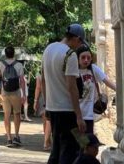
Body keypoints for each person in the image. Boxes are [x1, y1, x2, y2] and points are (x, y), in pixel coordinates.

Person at [40, 24, 86, 164]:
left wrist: (47, 104)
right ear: (76, 38)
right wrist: (79, 116)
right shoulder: (69, 55)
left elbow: (43, 79)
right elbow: (72, 87)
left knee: (56, 149)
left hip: (53, 109)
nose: (79, 46)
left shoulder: (49, 49)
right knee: (68, 150)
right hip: (67, 110)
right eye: (80, 42)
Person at [77, 44, 116, 135]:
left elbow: (106, 81)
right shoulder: (73, 71)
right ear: (78, 59)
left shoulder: (93, 69)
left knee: (88, 143)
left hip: (89, 115)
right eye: (83, 57)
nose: (86, 60)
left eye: (88, 58)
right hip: (75, 114)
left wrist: (120, 90)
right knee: (79, 142)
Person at [0, 45, 26, 147]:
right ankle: (16, 136)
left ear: (5, 53)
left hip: (5, 92)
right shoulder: (19, 65)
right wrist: (24, 94)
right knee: (17, 114)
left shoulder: (0, 64)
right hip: (16, 92)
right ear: (14, 53)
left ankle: (9, 138)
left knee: (6, 115)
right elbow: (21, 81)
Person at [34, 69, 52, 150]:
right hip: (53, 97)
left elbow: (38, 87)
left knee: (45, 121)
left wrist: (35, 101)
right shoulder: (53, 71)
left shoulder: (40, 73)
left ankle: (46, 140)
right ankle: (48, 141)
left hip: (43, 98)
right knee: (51, 121)